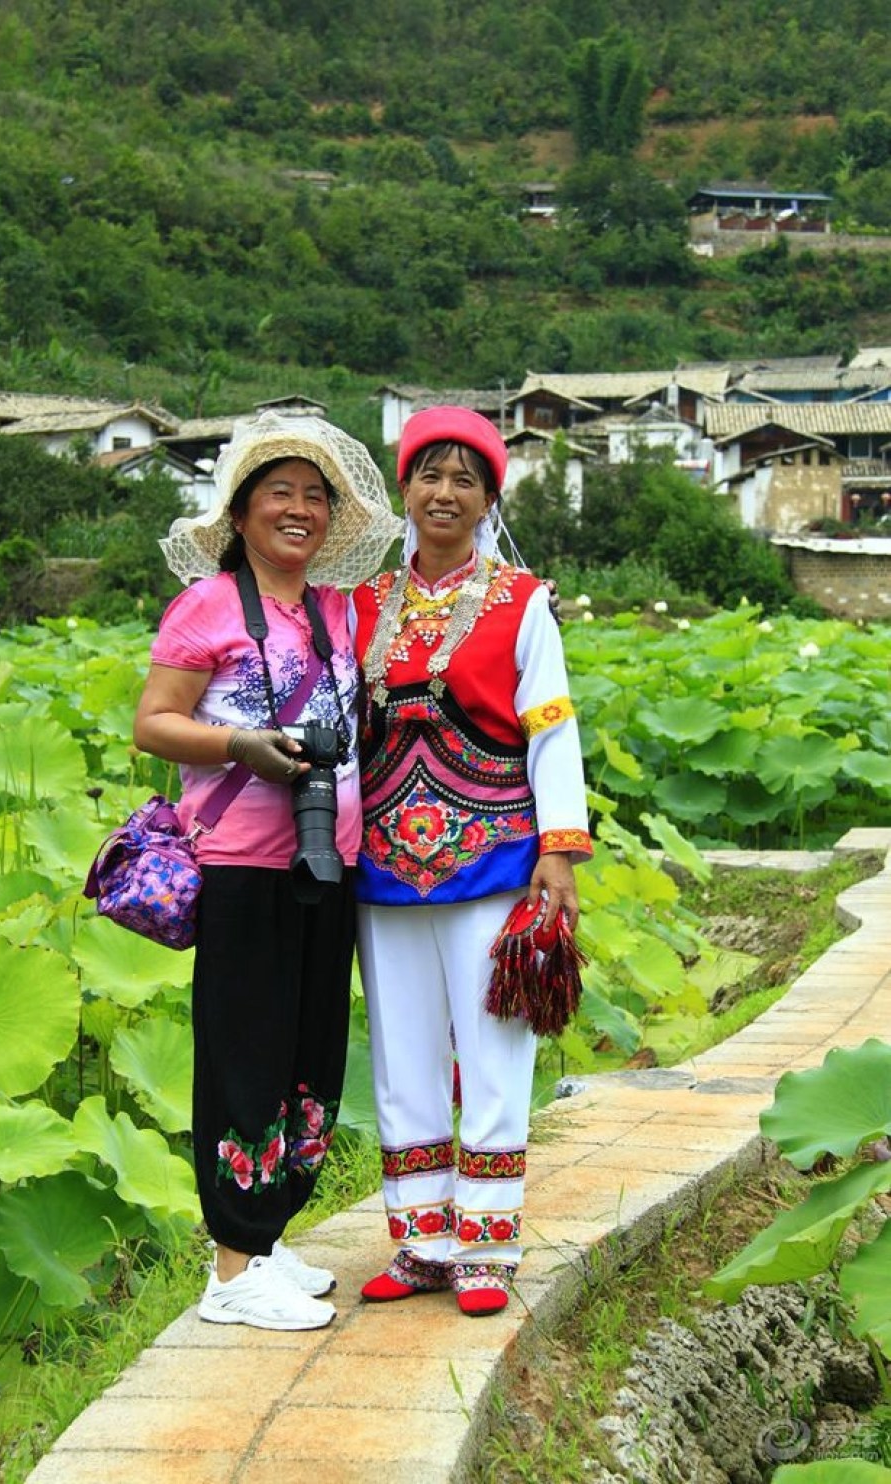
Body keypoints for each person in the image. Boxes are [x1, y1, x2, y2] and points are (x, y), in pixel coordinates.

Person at [133, 411, 402, 1331]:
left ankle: (270, 1235)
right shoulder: (206, 606)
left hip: (330, 859)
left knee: (310, 1052)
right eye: (279, 493)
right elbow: (154, 723)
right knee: (245, 1053)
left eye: (315, 496)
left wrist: (526, 602)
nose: (300, 509)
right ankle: (230, 1271)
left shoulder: (335, 610)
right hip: (244, 865)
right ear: (241, 513)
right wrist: (242, 744)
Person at [350, 406, 593, 1317]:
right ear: (404, 489)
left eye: (465, 479)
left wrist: (558, 855)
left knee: (494, 1054)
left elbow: (552, 731)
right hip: (383, 868)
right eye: (428, 475)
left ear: (489, 497)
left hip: (494, 857)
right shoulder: (364, 606)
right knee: (400, 1057)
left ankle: (487, 1247)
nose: (443, 493)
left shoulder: (525, 604)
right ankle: (419, 1243)